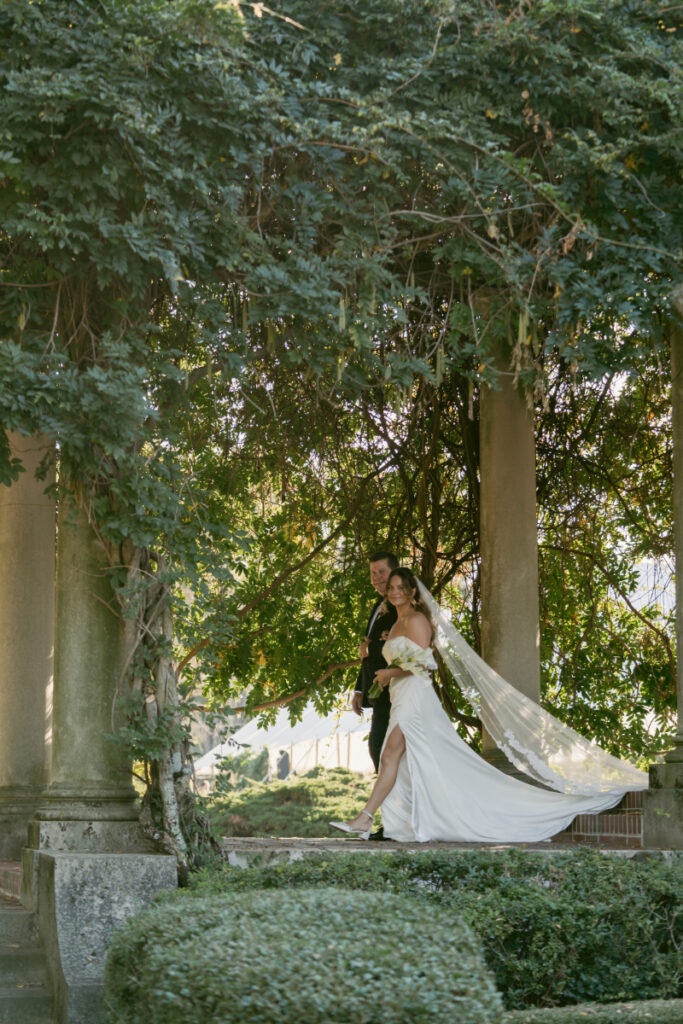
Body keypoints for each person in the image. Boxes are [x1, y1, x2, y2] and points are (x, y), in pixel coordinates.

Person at [332, 567, 648, 843]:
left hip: (414, 696)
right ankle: (408, 817)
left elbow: (424, 664)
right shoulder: (397, 623)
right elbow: (404, 657)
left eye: (402, 588)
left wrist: (390, 671)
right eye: (392, 588)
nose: (396, 592)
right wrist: (379, 656)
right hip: (401, 694)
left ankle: (365, 818)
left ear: (413, 592)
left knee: (390, 755)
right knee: (401, 761)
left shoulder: (416, 620)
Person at [351, 551, 398, 840]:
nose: (377, 578)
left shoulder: (402, 608)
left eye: (381, 572)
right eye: (373, 573)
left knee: (383, 752)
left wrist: (375, 649)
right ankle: (393, 821)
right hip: (377, 691)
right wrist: (359, 688)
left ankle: (394, 822)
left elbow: (408, 648)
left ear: (394, 573)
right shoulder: (377, 607)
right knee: (380, 753)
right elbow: (368, 652)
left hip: (396, 693)